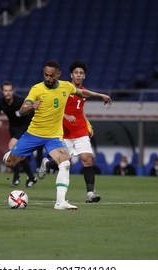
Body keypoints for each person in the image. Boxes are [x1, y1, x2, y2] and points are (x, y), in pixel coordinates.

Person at [3, 60, 111, 210]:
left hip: (54, 137)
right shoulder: (37, 88)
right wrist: (30, 106)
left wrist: (100, 96)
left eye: (51, 76)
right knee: (10, 163)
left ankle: (60, 202)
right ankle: (11, 154)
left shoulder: (66, 86)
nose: (47, 78)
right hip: (33, 134)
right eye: (45, 75)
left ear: (58, 74)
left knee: (65, 163)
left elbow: (82, 92)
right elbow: (22, 110)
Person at [38, 60, 101, 203]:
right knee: (65, 162)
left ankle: (90, 193)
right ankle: (47, 164)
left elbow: (80, 111)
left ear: (84, 76)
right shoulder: (63, 89)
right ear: (71, 75)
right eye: (76, 73)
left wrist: (88, 124)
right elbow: (54, 108)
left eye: (81, 73)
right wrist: (66, 116)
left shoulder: (83, 92)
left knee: (87, 159)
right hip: (64, 132)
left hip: (80, 131)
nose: (78, 75)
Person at [0, 81, 37, 187]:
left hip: (25, 126)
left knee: (13, 147)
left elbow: (32, 110)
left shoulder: (20, 101)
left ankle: (17, 177)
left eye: (9, 90)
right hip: (13, 128)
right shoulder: (0, 102)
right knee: (18, 153)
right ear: (2, 91)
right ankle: (30, 177)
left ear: (13, 91)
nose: (8, 93)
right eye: (5, 91)